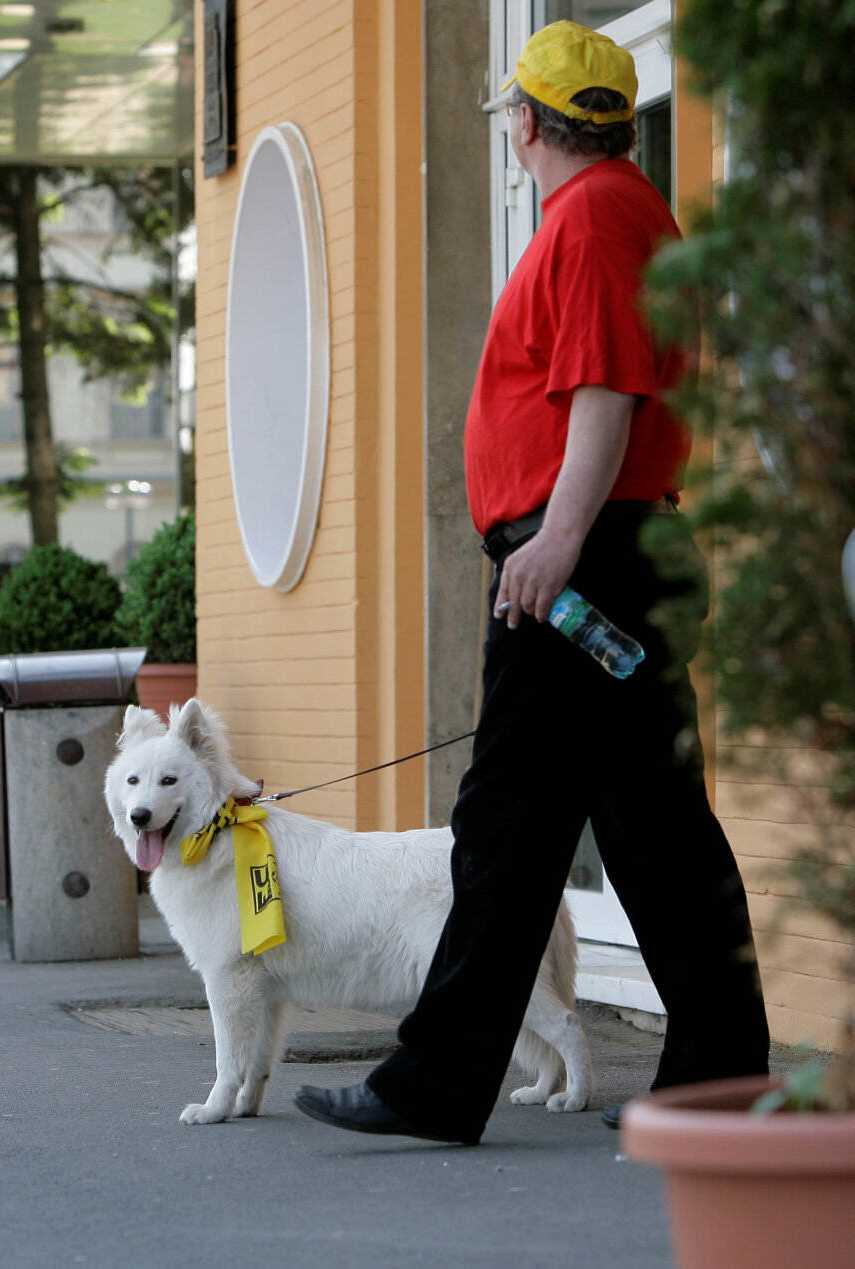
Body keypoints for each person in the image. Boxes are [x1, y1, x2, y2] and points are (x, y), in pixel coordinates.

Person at [292, 21, 769, 1145]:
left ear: (525, 124)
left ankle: (436, 1083)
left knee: (508, 823)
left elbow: (605, 393)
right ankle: (717, 1073)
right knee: (650, 827)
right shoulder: (623, 210)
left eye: (512, 108)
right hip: (608, 558)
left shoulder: (594, 217)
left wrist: (553, 541)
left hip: (578, 564)